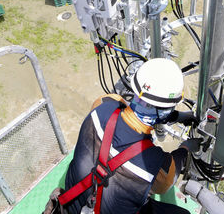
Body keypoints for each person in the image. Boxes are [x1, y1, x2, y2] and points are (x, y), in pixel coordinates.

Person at [55, 58, 200, 214]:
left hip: (71, 206)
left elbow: (134, 110)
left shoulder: (103, 104)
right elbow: (168, 179)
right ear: (167, 108)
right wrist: (185, 148)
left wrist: (176, 116)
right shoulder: (154, 162)